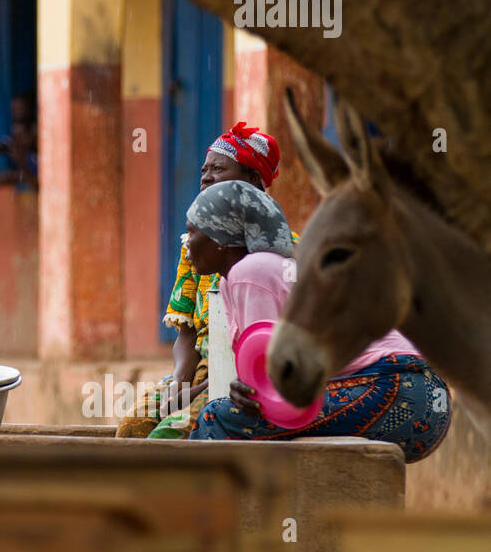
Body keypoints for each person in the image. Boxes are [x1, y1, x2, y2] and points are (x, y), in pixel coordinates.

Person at [186, 180, 449, 462]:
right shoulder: (236, 280)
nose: (187, 242)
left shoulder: (252, 270)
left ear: (221, 239)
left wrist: (245, 393)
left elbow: (269, 389)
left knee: (218, 418)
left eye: (193, 232)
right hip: (419, 396)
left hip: (399, 387)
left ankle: (195, 505)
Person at [117, 122, 290, 439]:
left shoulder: (278, 252)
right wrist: (180, 384)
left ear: (252, 181)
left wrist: (197, 392)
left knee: (171, 436)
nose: (207, 177)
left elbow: (262, 350)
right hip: (199, 370)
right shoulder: (195, 246)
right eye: (205, 169)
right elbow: (187, 331)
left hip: (244, 376)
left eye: (219, 169)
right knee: (132, 428)